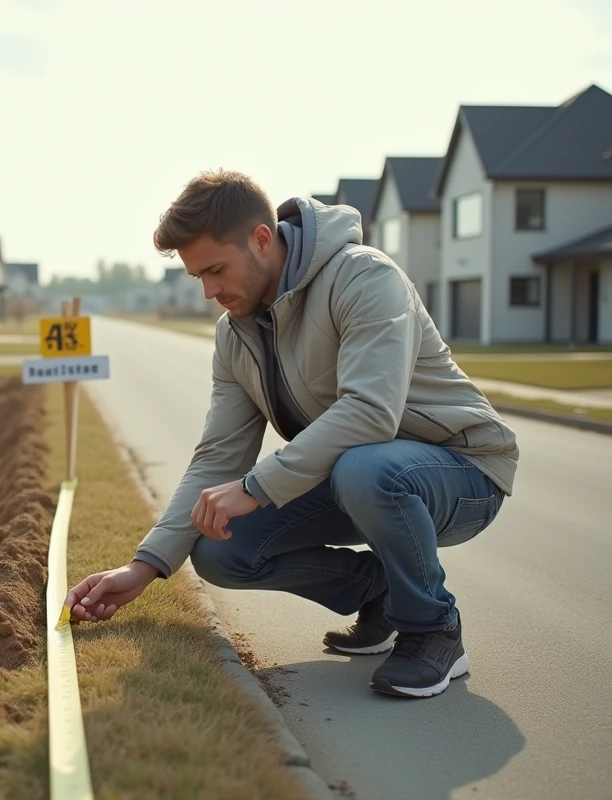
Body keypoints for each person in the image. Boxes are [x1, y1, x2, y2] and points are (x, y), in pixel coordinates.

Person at [65, 170, 519, 699]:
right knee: (220, 549)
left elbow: (370, 412)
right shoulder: (235, 334)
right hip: (357, 477)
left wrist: (255, 488)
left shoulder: (364, 277)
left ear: (262, 238)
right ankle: (380, 591)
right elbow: (217, 457)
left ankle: (434, 629)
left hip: (463, 472)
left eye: (216, 270)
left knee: (364, 468)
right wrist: (143, 567)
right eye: (197, 277)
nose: (209, 292)